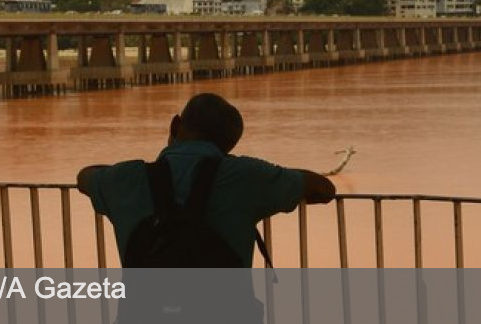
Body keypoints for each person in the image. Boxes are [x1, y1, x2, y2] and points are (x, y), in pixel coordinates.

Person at [77, 92, 336, 268]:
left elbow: (84, 177)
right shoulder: (247, 176)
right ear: (229, 145)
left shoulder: (124, 178)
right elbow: (324, 189)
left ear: (175, 125)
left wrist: (120, 173)